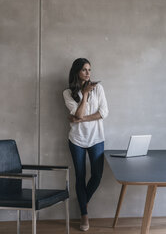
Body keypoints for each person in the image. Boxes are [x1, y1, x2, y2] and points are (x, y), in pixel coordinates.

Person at [63, 58, 109, 232]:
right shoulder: (67, 93)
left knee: (97, 175)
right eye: (84, 70)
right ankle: (84, 214)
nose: (88, 73)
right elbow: (78, 112)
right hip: (77, 140)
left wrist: (79, 119)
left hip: (97, 138)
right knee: (80, 176)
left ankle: (83, 201)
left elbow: (104, 112)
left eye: (89, 69)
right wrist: (86, 95)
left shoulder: (99, 88)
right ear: (76, 72)